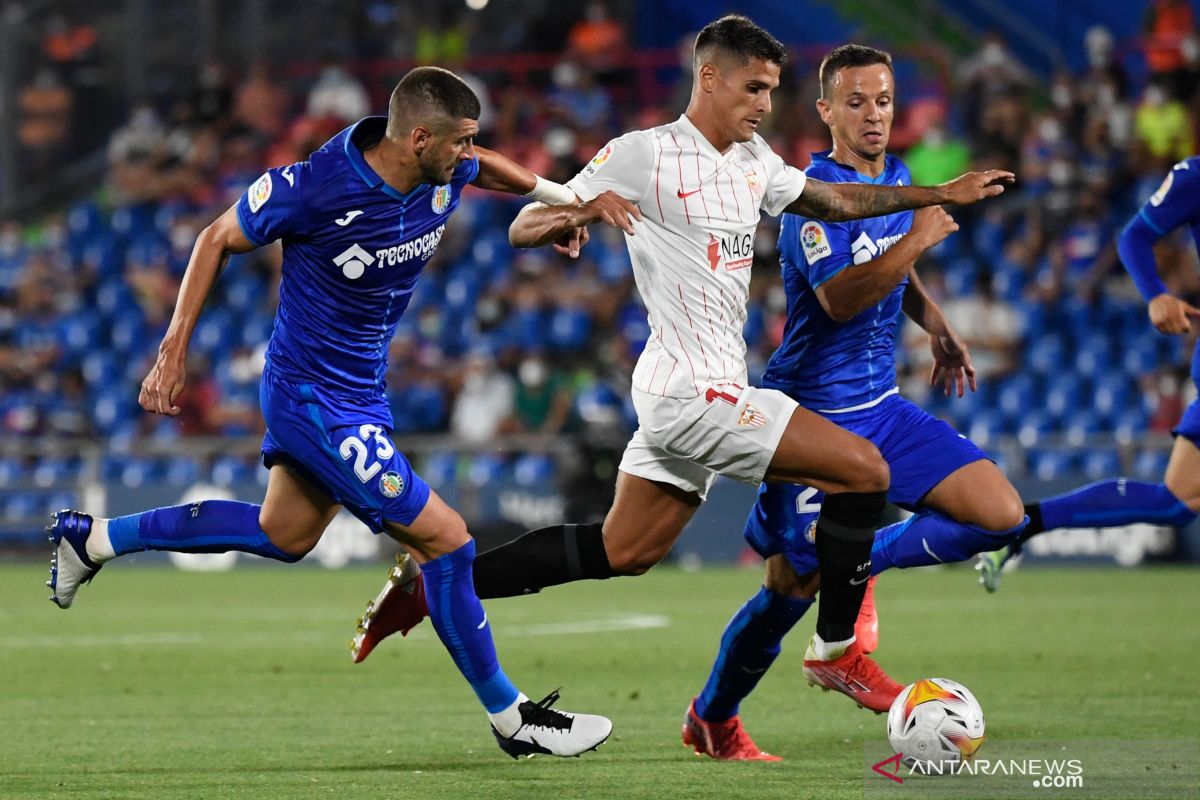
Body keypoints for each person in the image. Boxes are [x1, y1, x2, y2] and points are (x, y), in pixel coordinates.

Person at [350, 17, 1014, 714]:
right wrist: (582, 212)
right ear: (710, 77)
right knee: (864, 471)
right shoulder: (646, 154)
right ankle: (837, 652)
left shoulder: (754, 159)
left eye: (771, 90)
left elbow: (841, 200)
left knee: (624, 550)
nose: (763, 103)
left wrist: (940, 193)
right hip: (692, 393)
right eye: (753, 87)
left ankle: (435, 585)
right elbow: (524, 225)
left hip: (697, 388)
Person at [46, 66, 612, 760]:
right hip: (312, 395)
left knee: (283, 534)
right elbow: (213, 239)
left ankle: (94, 539)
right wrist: (172, 352)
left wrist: (565, 200)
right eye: (460, 142)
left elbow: (489, 169)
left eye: (473, 142)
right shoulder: (313, 186)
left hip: (361, 392)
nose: (470, 155)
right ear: (420, 137)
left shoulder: (445, 170)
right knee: (448, 539)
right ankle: (511, 716)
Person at [678, 44, 1028, 761]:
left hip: (884, 408)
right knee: (788, 588)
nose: (874, 115)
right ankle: (712, 718)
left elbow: (893, 268)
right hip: (809, 419)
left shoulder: (898, 178)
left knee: (1001, 513)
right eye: (858, 102)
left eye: (885, 101)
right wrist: (926, 227)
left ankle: (859, 562)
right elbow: (839, 299)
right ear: (826, 110)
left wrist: (934, 325)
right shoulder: (809, 193)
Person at [978, 155, 1200, 591]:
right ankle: (1021, 525)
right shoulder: (1195, 177)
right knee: (1178, 499)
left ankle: (1022, 526)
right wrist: (1156, 295)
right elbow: (1135, 237)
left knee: (1176, 503)